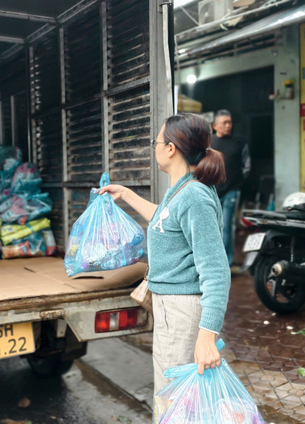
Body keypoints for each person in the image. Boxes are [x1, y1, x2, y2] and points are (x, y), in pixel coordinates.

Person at [98, 113, 230, 393]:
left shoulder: (194, 196)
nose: (154, 146)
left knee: (174, 400)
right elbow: (165, 219)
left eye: (155, 141)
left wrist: (207, 336)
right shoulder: (180, 189)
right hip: (171, 308)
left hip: (182, 310)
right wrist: (126, 194)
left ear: (170, 148)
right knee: (172, 395)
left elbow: (216, 270)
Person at [209, 110, 250, 267]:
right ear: (215, 126)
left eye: (230, 122)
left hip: (232, 190)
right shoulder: (209, 143)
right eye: (224, 122)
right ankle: (213, 260)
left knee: (226, 225)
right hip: (213, 190)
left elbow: (246, 166)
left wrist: (237, 183)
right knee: (213, 225)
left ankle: (226, 261)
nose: (228, 125)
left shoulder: (239, 142)